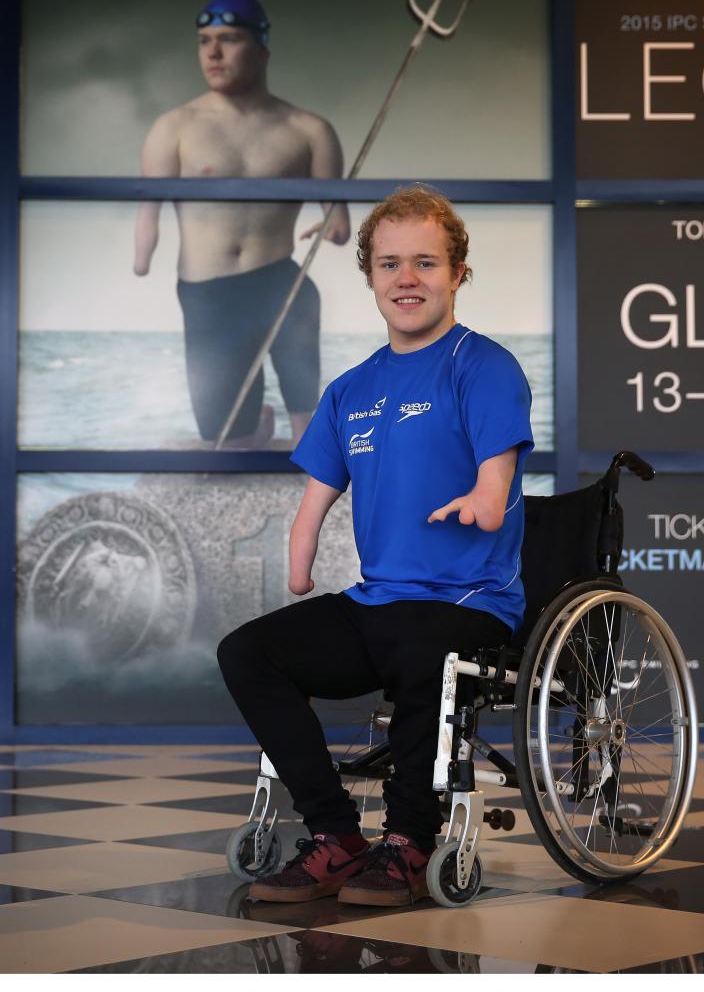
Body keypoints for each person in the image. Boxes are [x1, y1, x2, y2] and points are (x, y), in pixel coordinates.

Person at [218, 186, 534, 907]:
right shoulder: (351, 389)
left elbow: (498, 478)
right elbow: (316, 498)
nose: (407, 278)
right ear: (369, 276)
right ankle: (335, 835)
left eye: (426, 261)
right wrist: (299, 558)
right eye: (390, 263)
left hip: (469, 602)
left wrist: (486, 501)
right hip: (377, 604)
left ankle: (409, 839)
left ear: (457, 273)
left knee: (425, 645)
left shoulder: (482, 366)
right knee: (248, 652)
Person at [134, 0, 350, 448]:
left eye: (229, 39)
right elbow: (147, 210)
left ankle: (300, 446)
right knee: (226, 438)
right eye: (203, 40)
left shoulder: (308, 130)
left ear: (261, 46)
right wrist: (142, 255)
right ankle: (258, 423)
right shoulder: (175, 128)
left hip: (280, 281)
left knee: (307, 429)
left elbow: (339, 223)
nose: (212, 52)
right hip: (208, 292)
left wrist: (329, 226)